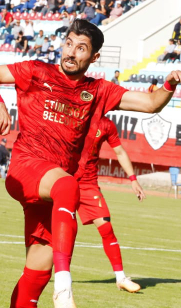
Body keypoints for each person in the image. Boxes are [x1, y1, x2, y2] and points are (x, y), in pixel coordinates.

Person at [0, 19, 181, 308]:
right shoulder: (36, 70)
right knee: (69, 185)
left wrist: (169, 83)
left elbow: (151, 103)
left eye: (80, 48)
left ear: (93, 58)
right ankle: (65, 290)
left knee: (38, 270)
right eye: (68, 44)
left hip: (51, 192)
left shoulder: (99, 90)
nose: (70, 52)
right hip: (27, 167)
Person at [75, 117, 145, 294]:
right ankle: (36, 272)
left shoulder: (106, 124)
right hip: (62, 177)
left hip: (88, 185)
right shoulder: (71, 113)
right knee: (52, 229)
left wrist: (133, 179)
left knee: (106, 228)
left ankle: (121, 278)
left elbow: (120, 152)